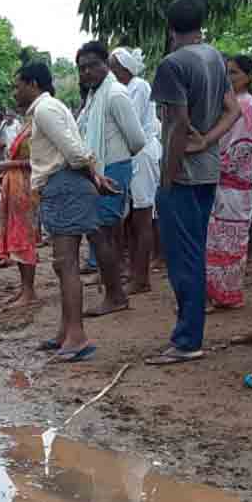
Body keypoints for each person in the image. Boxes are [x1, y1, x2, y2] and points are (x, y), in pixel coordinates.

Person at [148, 0, 231, 367]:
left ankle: (187, 340)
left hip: (181, 175)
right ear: (201, 23)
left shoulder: (172, 64)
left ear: (170, 27)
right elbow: (233, 111)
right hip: (208, 170)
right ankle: (188, 333)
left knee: (184, 258)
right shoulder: (214, 57)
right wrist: (208, 140)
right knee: (194, 251)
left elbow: (178, 124)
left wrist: (168, 175)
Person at [18, 61, 118, 362]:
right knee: (64, 265)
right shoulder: (51, 109)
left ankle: (77, 336)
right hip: (65, 185)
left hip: (64, 185)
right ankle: (66, 331)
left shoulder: (46, 110)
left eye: (17, 85)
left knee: (66, 262)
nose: (15, 92)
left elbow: (74, 152)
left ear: (33, 84)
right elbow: (75, 148)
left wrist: (94, 177)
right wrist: (95, 178)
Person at [76, 40, 146, 317]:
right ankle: (113, 292)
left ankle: (115, 296)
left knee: (105, 234)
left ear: (107, 65)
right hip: (100, 170)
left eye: (93, 65)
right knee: (102, 234)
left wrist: (115, 158)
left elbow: (138, 139)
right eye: (82, 68)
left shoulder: (115, 94)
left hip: (113, 169)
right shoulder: (94, 96)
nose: (87, 72)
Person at [197, 55, 252, 311]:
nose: (229, 78)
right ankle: (222, 294)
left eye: (234, 73)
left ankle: (216, 296)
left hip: (231, 183)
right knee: (223, 241)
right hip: (229, 184)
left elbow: (241, 149)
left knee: (222, 242)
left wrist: (211, 164)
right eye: (227, 73)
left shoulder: (246, 106)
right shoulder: (236, 104)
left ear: (248, 77)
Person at [108, 47, 163, 295]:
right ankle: (134, 273)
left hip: (141, 154)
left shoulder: (139, 86)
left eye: (114, 66)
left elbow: (134, 125)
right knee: (131, 220)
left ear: (124, 68)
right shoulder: (120, 89)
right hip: (131, 156)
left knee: (143, 217)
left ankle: (141, 278)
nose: (111, 71)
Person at [0, 110, 39, 308]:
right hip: (15, 186)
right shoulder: (27, 125)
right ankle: (25, 288)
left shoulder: (37, 126)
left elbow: (38, 161)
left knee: (24, 238)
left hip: (24, 188)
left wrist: (9, 164)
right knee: (16, 237)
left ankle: (29, 291)